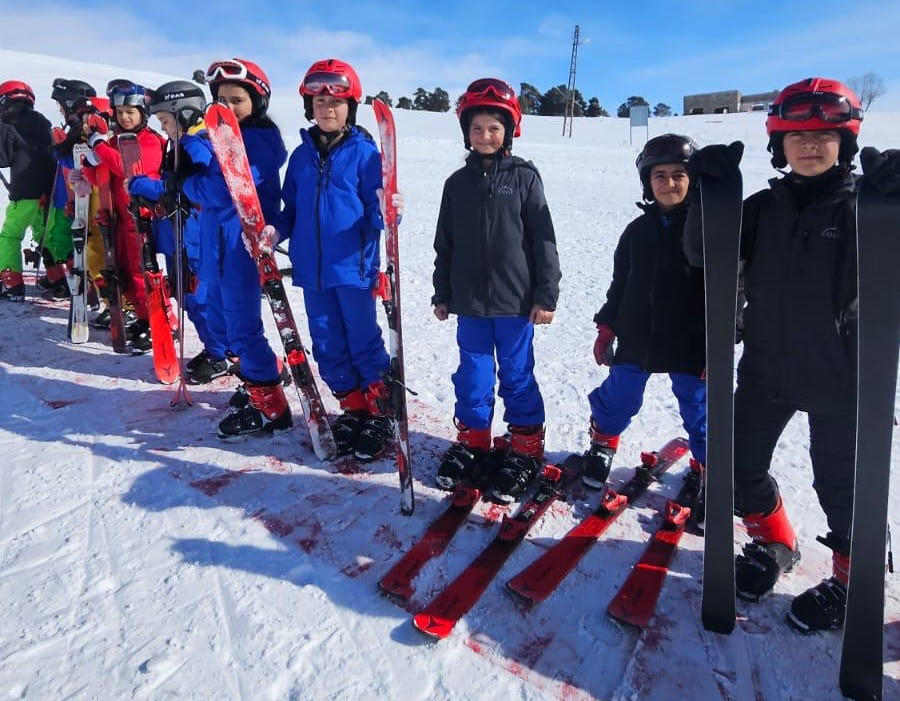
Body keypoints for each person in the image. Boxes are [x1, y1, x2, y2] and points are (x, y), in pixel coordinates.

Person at [685, 77, 900, 633]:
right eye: (796, 135)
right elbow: (700, 254)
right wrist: (706, 198)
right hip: (765, 369)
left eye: (823, 135)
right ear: (777, 144)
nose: (809, 145)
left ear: (845, 141)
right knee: (736, 468)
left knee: (843, 487)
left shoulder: (866, 208)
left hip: (842, 377)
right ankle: (775, 540)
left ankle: (855, 578)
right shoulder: (761, 208)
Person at [431, 78, 561, 504]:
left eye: (494, 128)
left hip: (515, 304)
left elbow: (543, 238)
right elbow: (444, 242)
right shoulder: (456, 183)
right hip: (469, 305)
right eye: (477, 128)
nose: (485, 136)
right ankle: (474, 440)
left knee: (517, 375)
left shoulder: (523, 177)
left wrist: (546, 294)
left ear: (509, 130)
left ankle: (525, 446)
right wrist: (442, 291)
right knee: (472, 375)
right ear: (466, 132)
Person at [270, 58, 398, 460]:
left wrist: (388, 208)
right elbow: (289, 208)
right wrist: (276, 230)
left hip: (353, 268)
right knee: (326, 343)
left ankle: (379, 412)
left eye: (336, 103)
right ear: (309, 106)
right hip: (311, 270)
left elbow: (378, 213)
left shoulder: (365, 155)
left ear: (350, 108)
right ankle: (353, 408)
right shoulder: (300, 156)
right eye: (319, 101)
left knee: (362, 340)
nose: (327, 109)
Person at [581, 134, 706, 501]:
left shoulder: (708, 230)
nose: (669, 183)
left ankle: (706, 467)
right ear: (648, 182)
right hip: (638, 334)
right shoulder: (636, 232)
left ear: (692, 179)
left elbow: (730, 289)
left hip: (690, 340)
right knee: (619, 396)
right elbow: (620, 284)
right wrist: (607, 326)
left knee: (699, 410)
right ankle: (603, 442)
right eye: (660, 176)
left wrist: (720, 341)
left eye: (678, 175)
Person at [177, 58, 292, 437]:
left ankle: (270, 405)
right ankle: (262, 374)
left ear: (256, 103)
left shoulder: (259, 142)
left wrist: (187, 183)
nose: (228, 107)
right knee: (226, 322)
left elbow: (219, 191)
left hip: (242, 248)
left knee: (242, 327)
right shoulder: (220, 136)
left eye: (237, 100)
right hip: (218, 246)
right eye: (221, 99)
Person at [128, 79, 231, 384]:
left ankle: (221, 353)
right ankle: (218, 348)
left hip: (194, 237)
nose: (163, 128)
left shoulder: (195, 144)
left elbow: (192, 188)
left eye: (165, 121)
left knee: (198, 298)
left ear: (183, 112)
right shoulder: (183, 142)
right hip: (183, 233)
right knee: (191, 298)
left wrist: (144, 185)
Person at [79, 79, 166, 353]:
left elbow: (128, 168)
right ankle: (142, 317)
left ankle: (160, 321)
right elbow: (101, 176)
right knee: (123, 273)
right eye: (119, 113)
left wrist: (100, 149)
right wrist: (90, 163)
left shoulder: (152, 141)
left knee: (143, 273)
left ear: (143, 113)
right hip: (116, 217)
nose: (124, 117)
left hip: (140, 218)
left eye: (131, 112)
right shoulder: (114, 141)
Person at [0, 81, 55, 301]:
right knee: (46, 235)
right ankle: (58, 277)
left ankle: (11, 282)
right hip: (49, 192)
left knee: (11, 235)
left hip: (25, 190)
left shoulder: (6, 123)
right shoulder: (44, 124)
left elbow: (2, 158)